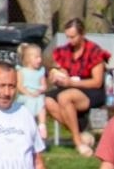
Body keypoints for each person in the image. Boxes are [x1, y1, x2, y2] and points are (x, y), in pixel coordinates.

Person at [45, 17, 109, 157]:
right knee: (47, 101)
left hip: (92, 90)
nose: (70, 40)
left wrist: (71, 83)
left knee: (64, 97)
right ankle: (80, 135)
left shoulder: (94, 51)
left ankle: (77, 142)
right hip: (70, 87)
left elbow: (97, 82)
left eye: (73, 37)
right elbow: (61, 71)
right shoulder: (64, 51)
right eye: (68, 37)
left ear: (82, 34)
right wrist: (57, 75)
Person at [14, 43, 48, 139]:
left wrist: (40, 91)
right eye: (36, 57)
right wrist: (28, 93)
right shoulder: (21, 71)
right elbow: (19, 86)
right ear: (28, 58)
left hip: (37, 95)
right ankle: (28, 126)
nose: (39, 60)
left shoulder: (40, 71)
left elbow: (44, 85)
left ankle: (42, 125)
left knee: (41, 100)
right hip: (25, 96)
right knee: (29, 101)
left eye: (40, 57)